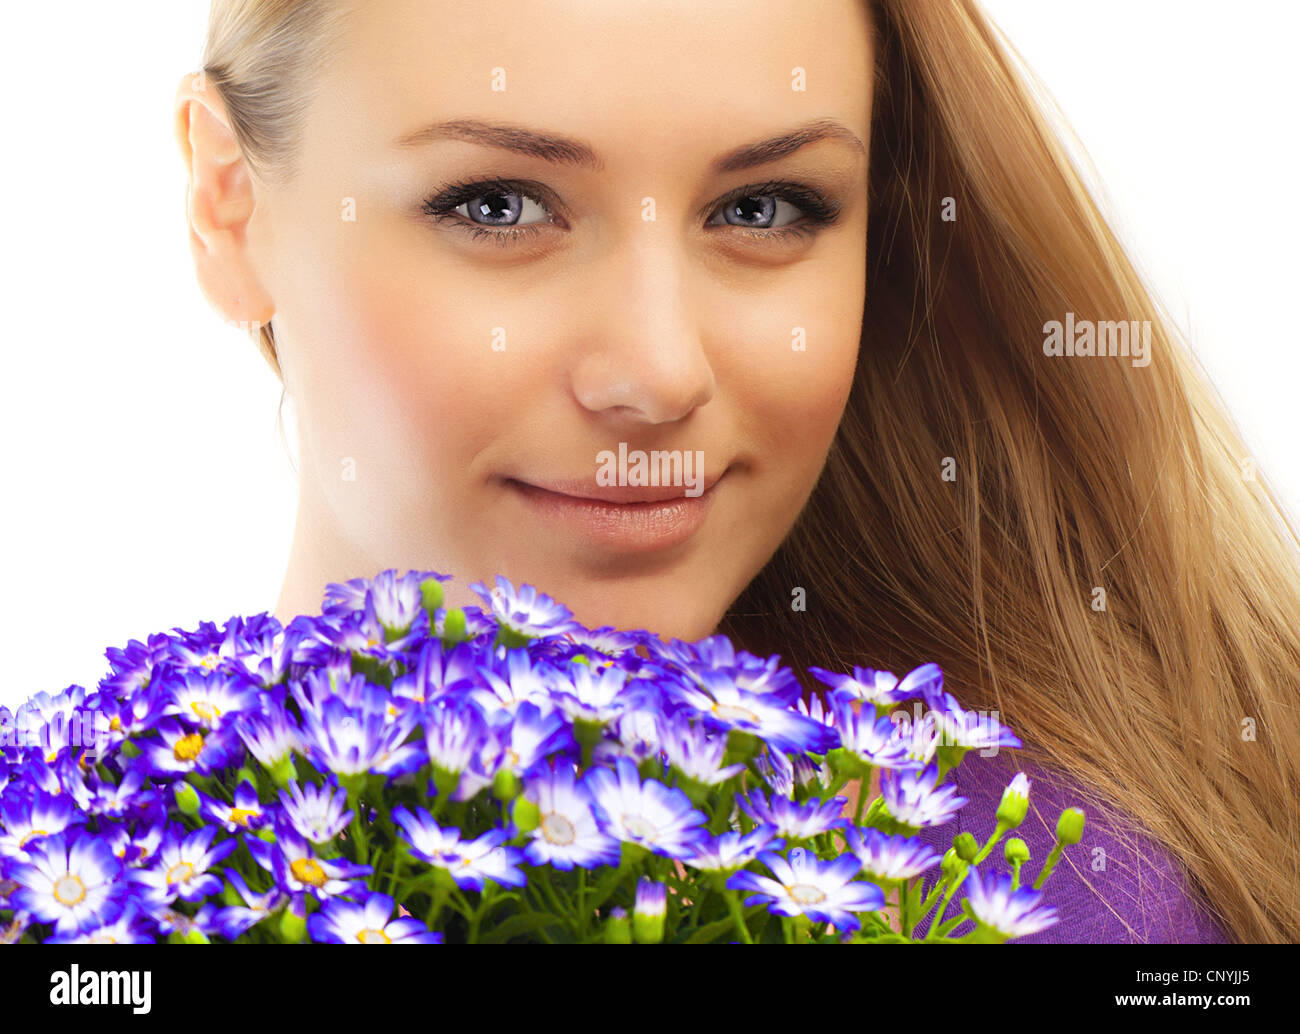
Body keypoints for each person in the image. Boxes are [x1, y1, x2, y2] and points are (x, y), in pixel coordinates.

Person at [175, 0, 1300, 943]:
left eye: (762, 209)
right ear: (228, 205)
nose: (660, 372)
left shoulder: (1024, 889)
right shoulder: (96, 865)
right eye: (498, 205)